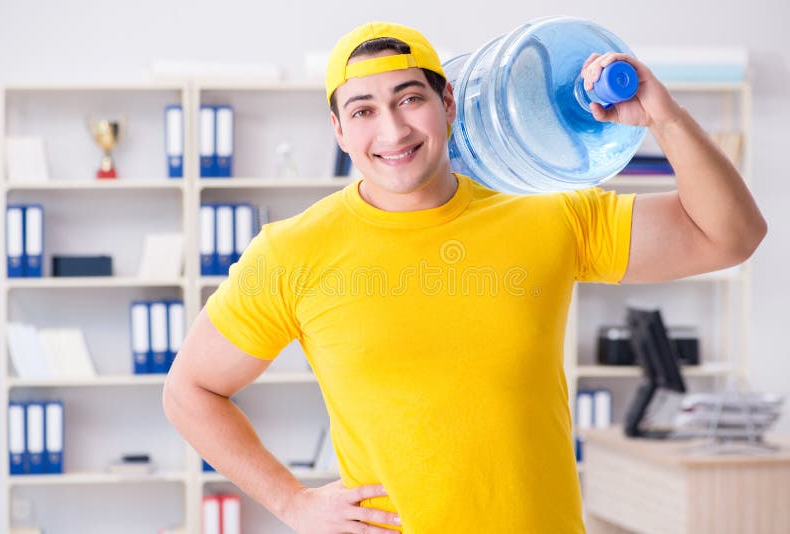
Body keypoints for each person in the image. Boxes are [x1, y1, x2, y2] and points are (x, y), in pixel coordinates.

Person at [163, 21, 766, 534]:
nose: (393, 131)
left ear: (448, 103)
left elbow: (731, 235)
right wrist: (292, 503)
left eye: (409, 99)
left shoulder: (548, 210)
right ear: (339, 131)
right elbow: (189, 391)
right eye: (363, 110)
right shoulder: (291, 253)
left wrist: (662, 114)